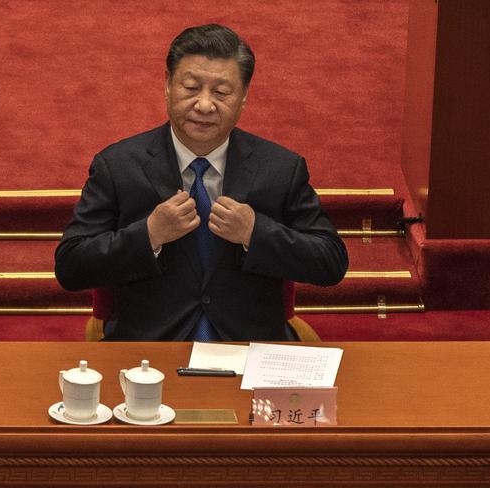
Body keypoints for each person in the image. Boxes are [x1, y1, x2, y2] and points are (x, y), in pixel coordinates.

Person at [55, 24, 348, 341]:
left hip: (247, 348)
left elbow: (330, 262)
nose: (205, 105)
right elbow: (71, 266)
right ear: (168, 85)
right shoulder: (118, 166)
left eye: (221, 93)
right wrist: (149, 234)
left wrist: (255, 232)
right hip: (151, 352)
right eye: (191, 88)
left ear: (244, 97)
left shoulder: (280, 168)